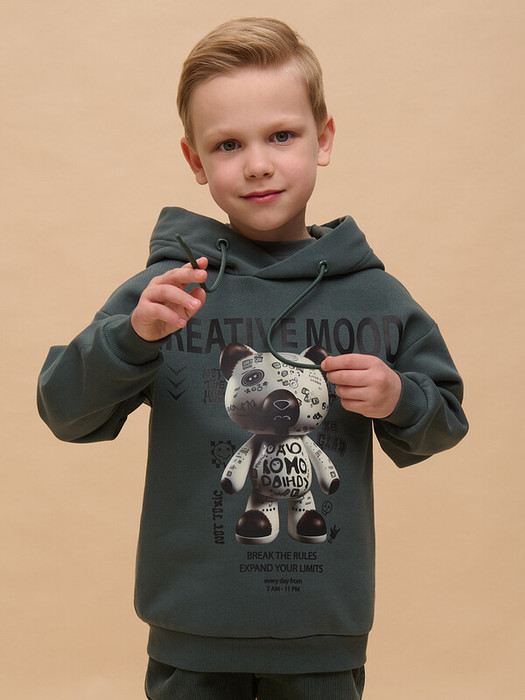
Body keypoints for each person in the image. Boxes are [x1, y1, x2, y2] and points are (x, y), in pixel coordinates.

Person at [37, 17, 468, 700]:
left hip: (322, 635)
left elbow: (445, 419)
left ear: (324, 138)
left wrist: (398, 398)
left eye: (282, 136)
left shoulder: (375, 295)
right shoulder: (168, 291)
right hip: (191, 632)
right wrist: (131, 337)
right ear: (195, 161)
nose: (258, 164)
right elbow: (64, 411)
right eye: (228, 144)